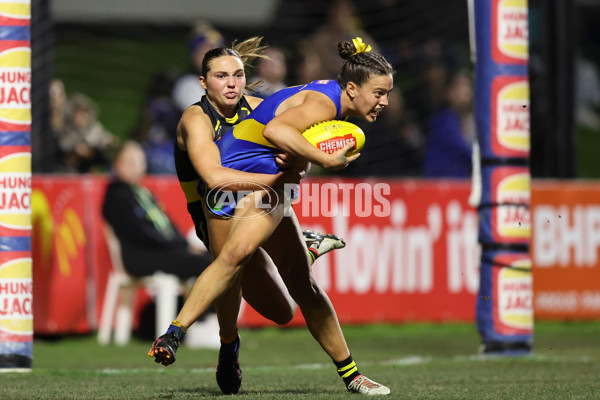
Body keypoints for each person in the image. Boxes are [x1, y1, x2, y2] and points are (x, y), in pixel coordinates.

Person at [148, 37, 393, 396]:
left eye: (237, 75)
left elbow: (283, 129)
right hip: (219, 197)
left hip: (263, 190)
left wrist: (298, 159)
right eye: (380, 93)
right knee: (234, 263)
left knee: (288, 298)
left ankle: (353, 375)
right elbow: (239, 160)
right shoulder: (195, 118)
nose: (232, 84)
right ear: (203, 83)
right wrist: (311, 163)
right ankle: (192, 337)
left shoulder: (264, 103)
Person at [102, 141, 213, 280]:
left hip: (163, 250)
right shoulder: (116, 196)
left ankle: (192, 301)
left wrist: (184, 245)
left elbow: (167, 224)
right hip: (141, 255)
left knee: (211, 257)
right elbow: (140, 233)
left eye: (139, 162)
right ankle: (200, 302)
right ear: (116, 165)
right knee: (204, 264)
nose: (136, 167)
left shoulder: (142, 193)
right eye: (130, 162)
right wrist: (179, 247)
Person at [422, 70, 475, 178]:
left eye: (466, 85)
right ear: (448, 92)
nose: (464, 90)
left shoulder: (469, 120)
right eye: (459, 85)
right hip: (438, 184)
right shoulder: (443, 120)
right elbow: (464, 151)